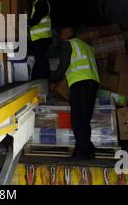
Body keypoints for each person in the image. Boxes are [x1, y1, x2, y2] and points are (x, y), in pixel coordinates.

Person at [51, 27, 100, 159]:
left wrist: (54, 81)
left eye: (61, 33)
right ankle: (86, 149)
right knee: (84, 118)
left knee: (78, 119)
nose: (60, 37)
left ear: (68, 32)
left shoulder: (69, 44)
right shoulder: (87, 46)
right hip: (93, 83)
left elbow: (63, 65)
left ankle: (82, 152)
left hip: (80, 83)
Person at [27, 0, 52, 80]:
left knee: (40, 59)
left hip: (41, 38)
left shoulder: (41, 2)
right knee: (39, 58)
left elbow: (36, 20)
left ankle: (45, 78)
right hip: (40, 37)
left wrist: (24, 22)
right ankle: (36, 77)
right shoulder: (36, 3)